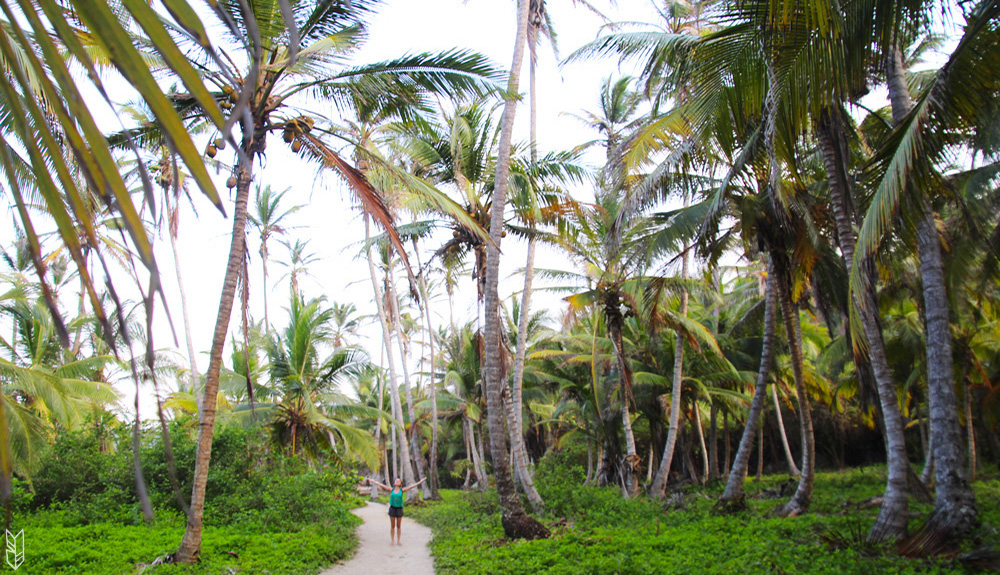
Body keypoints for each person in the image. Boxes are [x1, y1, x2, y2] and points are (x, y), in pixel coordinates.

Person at [368, 476, 426, 545]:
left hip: (399, 509)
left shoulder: (402, 490)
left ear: (400, 483)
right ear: (394, 483)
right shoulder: (391, 490)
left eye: (398, 481)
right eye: (396, 481)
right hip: (392, 508)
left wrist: (421, 481)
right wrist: (373, 481)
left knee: (398, 526)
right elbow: (381, 485)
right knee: (392, 526)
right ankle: (392, 540)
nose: (397, 482)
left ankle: (398, 541)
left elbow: (412, 486)